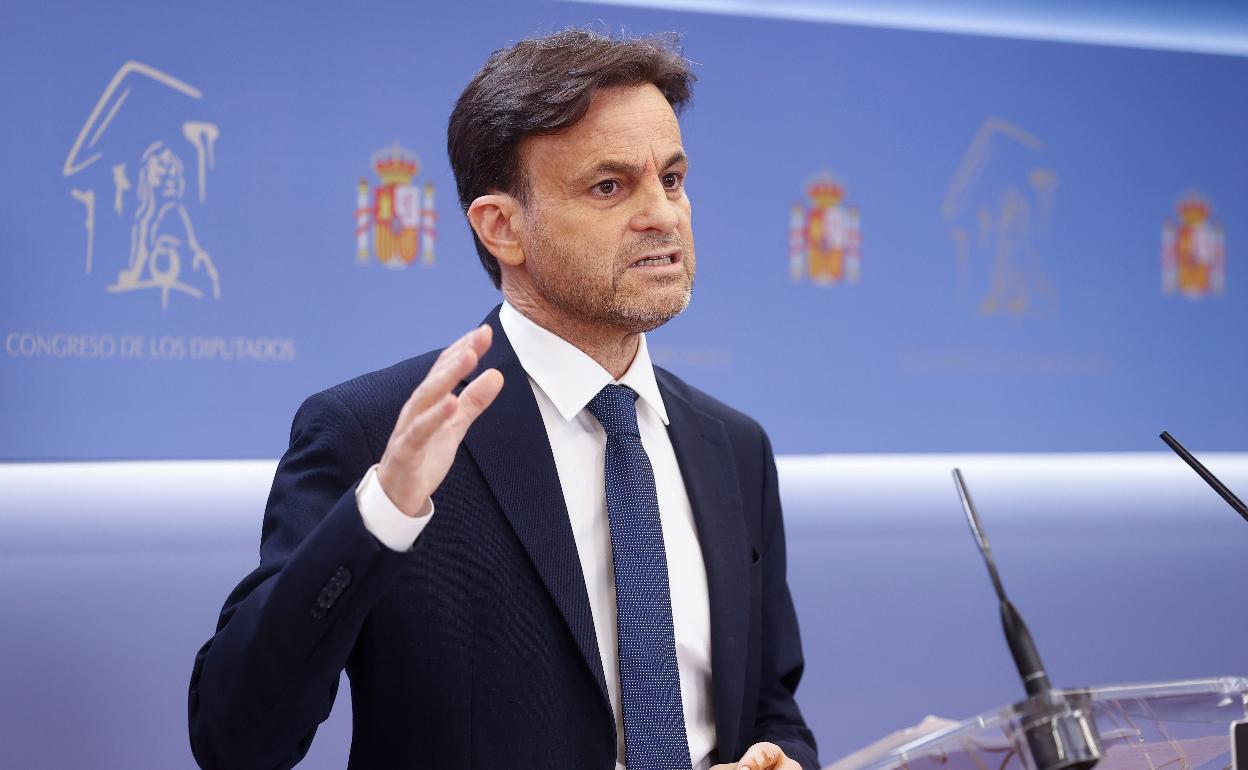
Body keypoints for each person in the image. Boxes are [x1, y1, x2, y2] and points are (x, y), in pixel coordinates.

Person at [188, 28, 818, 770]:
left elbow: (770, 704)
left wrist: (783, 761)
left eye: (672, 180)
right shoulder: (374, 436)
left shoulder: (733, 447)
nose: (664, 215)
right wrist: (381, 513)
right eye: (610, 186)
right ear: (502, 227)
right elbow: (236, 738)